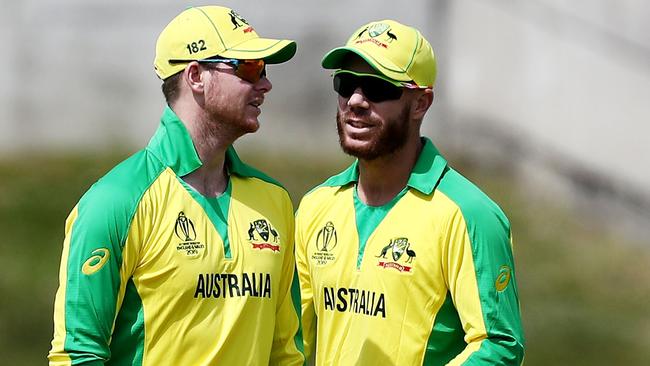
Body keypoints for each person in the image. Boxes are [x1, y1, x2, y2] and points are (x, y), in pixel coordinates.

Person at [48, 6, 304, 365]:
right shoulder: (116, 201)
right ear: (196, 76)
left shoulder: (274, 201)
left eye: (264, 69)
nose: (265, 83)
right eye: (248, 68)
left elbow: (286, 354)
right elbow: (78, 354)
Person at [294, 19, 525, 365]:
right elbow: (290, 340)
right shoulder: (316, 206)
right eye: (346, 84)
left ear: (421, 103)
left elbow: (499, 346)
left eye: (377, 88)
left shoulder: (470, 213)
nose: (355, 101)